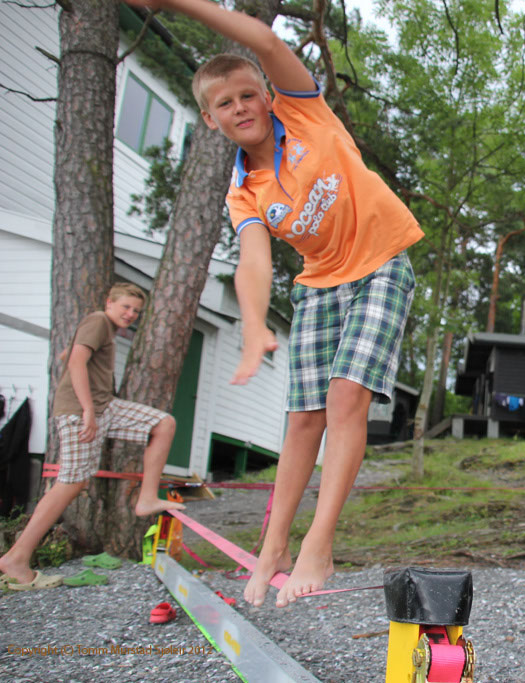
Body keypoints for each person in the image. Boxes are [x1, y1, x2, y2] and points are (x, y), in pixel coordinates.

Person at [125, 0, 423, 607]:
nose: (240, 108)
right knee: (302, 421)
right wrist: (255, 325)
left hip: (382, 262)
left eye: (247, 95)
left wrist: (173, 4)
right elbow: (255, 260)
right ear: (211, 120)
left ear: (266, 97)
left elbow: (263, 40)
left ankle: (318, 543)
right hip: (318, 285)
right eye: (224, 104)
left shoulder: (304, 112)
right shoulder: (244, 192)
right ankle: (274, 547)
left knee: (346, 397)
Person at [0, 283, 183, 590]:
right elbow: (75, 362)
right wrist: (87, 409)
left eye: (136, 311)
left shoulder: (103, 328)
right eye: (125, 307)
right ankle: (16, 558)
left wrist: (86, 384)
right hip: (82, 411)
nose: (131, 314)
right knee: (70, 482)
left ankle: (147, 498)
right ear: (109, 302)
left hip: (104, 407)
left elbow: (68, 355)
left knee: (163, 423)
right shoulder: (98, 320)